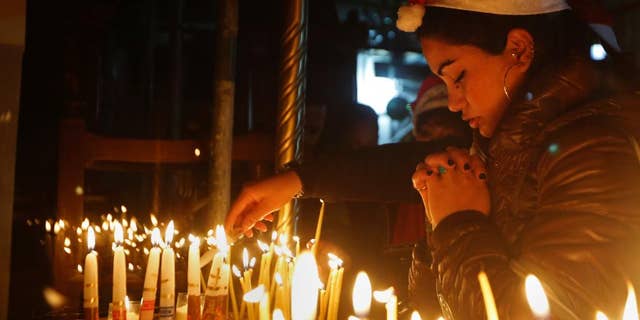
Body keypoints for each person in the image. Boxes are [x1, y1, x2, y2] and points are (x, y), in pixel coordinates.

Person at [226, 1, 640, 318]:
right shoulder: (516, 141)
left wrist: (457, 223)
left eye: (457, 76)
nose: (455, 102)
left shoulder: (598, 151)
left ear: (518, 49)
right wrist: (300, 181)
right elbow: (408, 167)